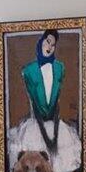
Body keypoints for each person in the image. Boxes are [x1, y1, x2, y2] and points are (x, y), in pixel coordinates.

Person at [21, 30, 65, 158]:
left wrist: (55, 136)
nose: (50, 47)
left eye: (53, 45)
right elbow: (33, 102)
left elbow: (57, 101)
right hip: (36, 124)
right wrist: (46, 137)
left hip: (55, 123)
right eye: (48, 42)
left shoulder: (59, 68)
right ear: (41, 42)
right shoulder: (28, 70)